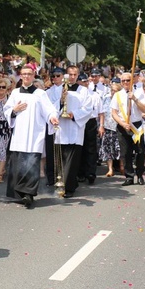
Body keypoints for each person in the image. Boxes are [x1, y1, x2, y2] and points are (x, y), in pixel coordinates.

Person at [4, 65, 59, 206]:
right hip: (20, 135)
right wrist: (14, 111)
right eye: (24, 74)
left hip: (35, 135)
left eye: (29, 74)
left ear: (33, 75)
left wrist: (52, 117)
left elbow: (49, 110)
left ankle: (28, 194)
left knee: (32, 164)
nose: (26, 76)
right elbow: (7, 110)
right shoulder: (15, 93)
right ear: (21, 76)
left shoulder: (40, 94)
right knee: (18, 164)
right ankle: (18, 193)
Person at [52, 65, 92, 197]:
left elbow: (88, 109)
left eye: (75, 74)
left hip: (75, 129)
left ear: (78, 75)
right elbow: (52, 107)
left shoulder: (83, 91)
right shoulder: (59, 90)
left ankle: (68, 187)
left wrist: (74, 114)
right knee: (61, 159)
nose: (72, 77)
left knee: (72, 161)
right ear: (66, 75)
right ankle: (64, 183)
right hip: (61, 129)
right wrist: (61, 102)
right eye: (70, 74)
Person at [111, 71, 145, 186]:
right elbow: (114, 113)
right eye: (123, 80)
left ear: (132, 81)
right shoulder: (117, 95)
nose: (126, 82)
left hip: (136, 126)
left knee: (140, 151)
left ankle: (140, 174)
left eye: (128, 80)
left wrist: (135, 99)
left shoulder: (139, 93)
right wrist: (122, 124)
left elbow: (144, 109)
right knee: (125, 153)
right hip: (123, 126)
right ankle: (129, 176)